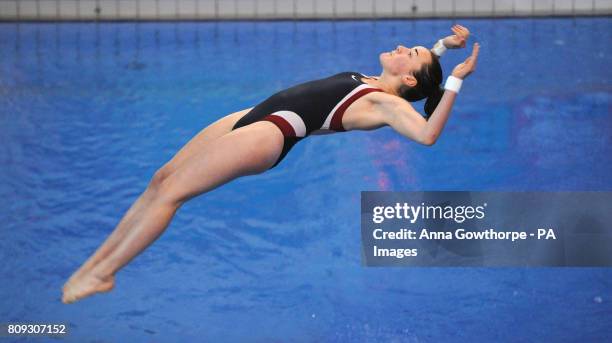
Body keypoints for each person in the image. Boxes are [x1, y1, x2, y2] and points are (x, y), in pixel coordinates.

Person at [62, 25, 478, 304]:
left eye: (413, 52)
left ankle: (105, 272)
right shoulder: (374, 81)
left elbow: (426, 133)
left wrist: (454, 78)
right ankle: (95, 265)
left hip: (272, 132)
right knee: (162, 178)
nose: (404, 46)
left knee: (172, 194)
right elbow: (421, 79)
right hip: (256, 113)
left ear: (408, 81)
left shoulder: (384, 104)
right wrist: (442, 47)